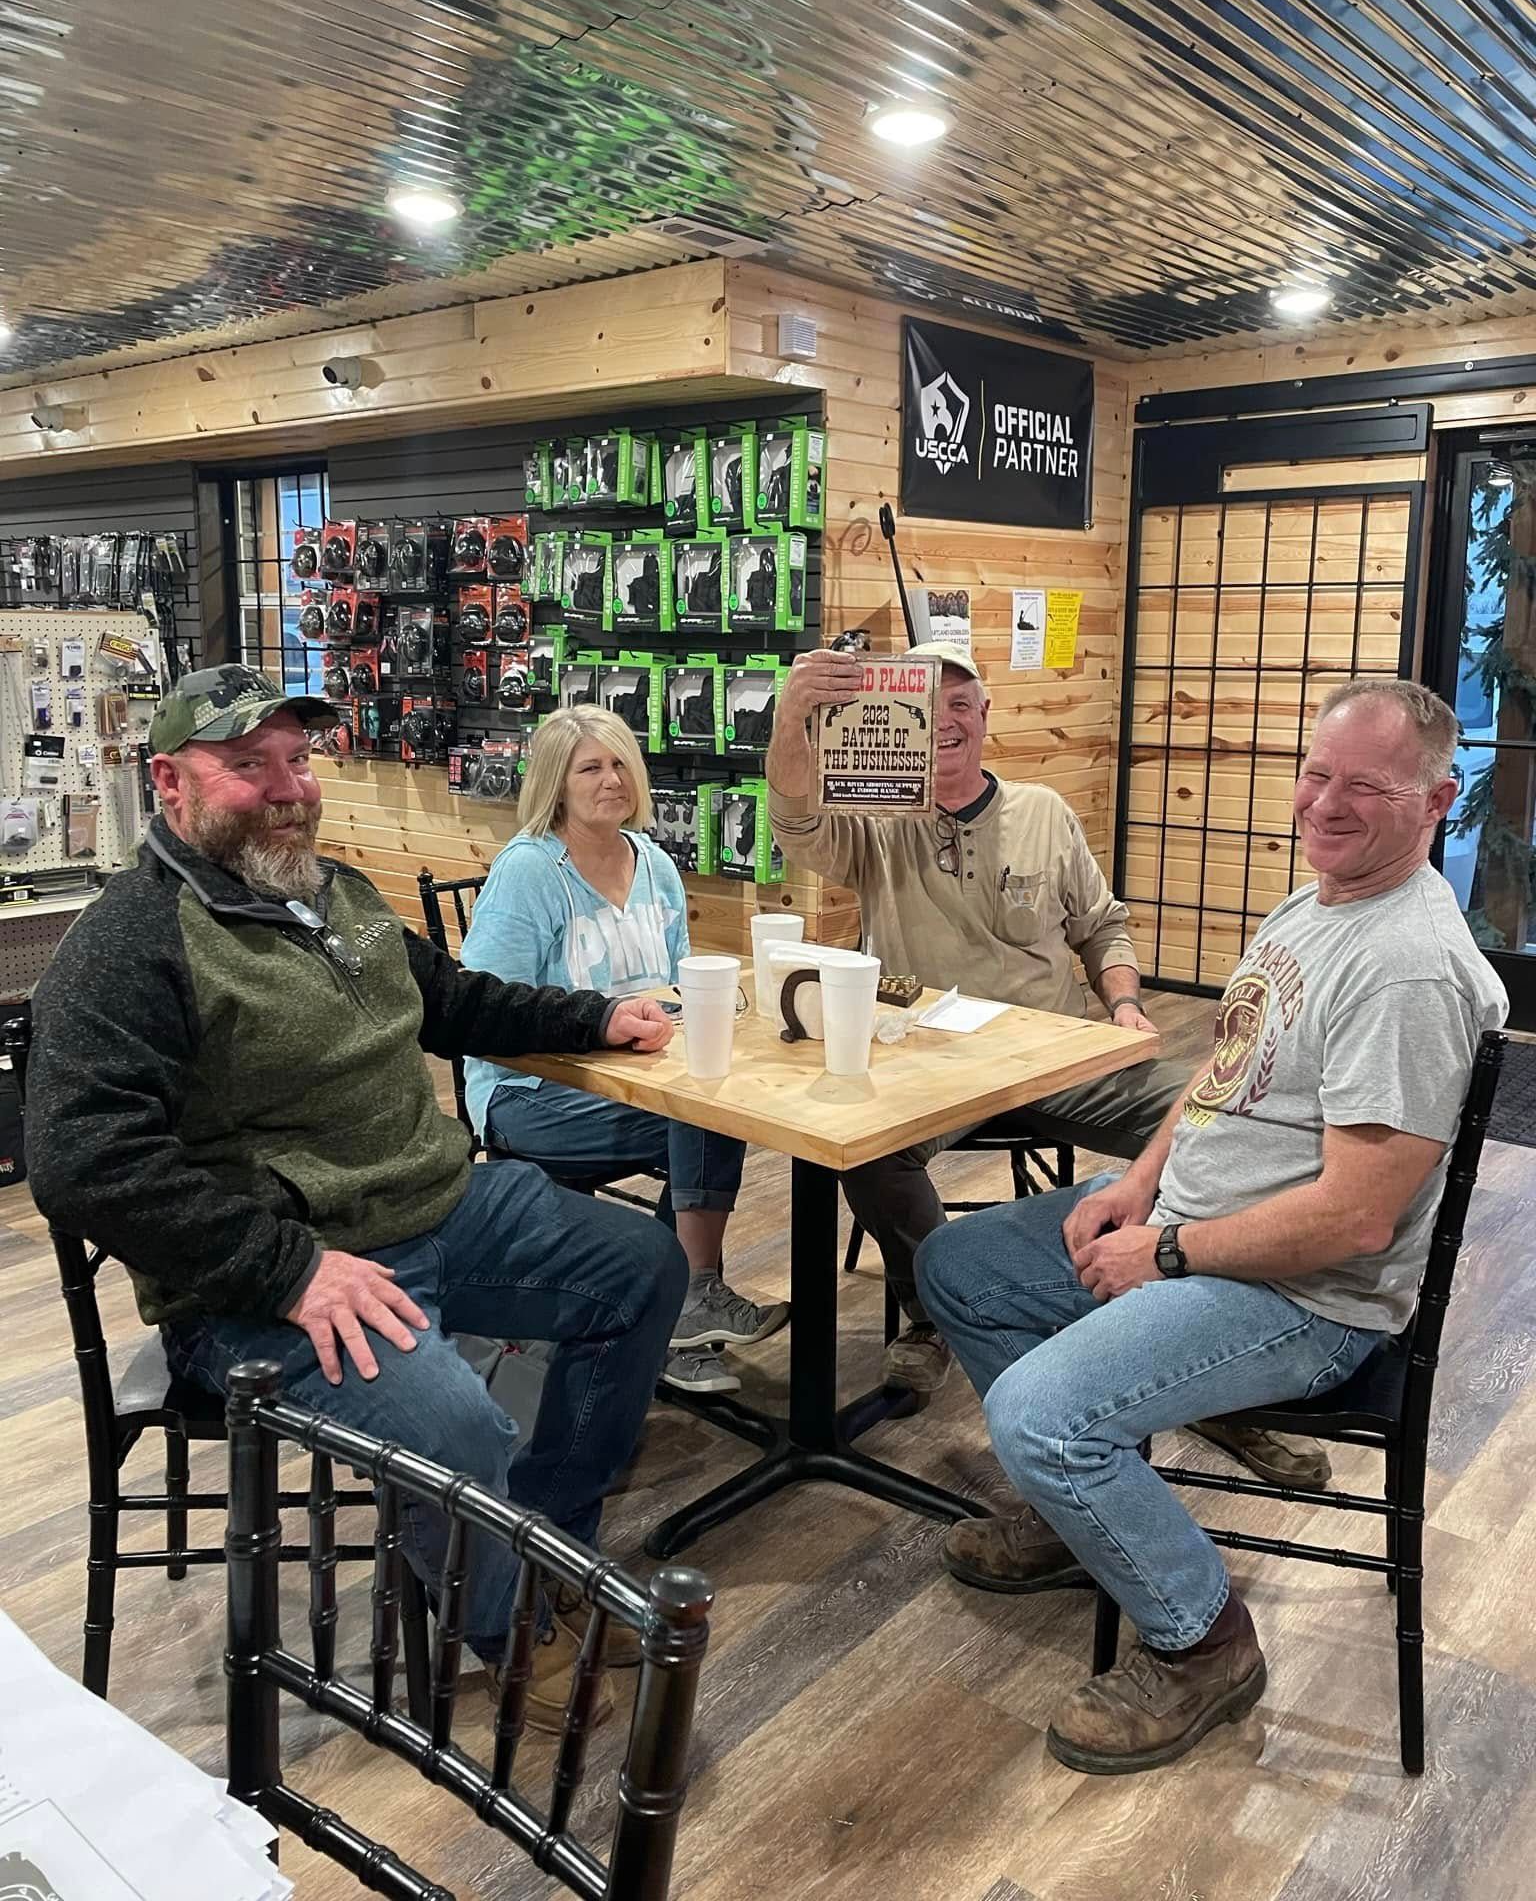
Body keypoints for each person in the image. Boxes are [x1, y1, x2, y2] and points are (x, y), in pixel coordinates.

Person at [24, 665, 689, 1734]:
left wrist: (593, 1020)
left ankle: (538, 1546)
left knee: (645, 1268)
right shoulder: (130, 941)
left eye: (297, 758)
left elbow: (453, 997)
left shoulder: (335, 893)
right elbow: (81, 1159)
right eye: (248, 765)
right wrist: (288, 1267)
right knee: (457, 1422)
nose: (289, 787)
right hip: (275, 1277)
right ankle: (514, 1625)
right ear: (169, 782)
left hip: (432, 1208)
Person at [916, 678, 1507, 1774]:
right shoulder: (1314, 902)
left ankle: (1204, 1640)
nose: (1325, 803)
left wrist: (1168, 1250)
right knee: (959, 1263)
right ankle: (1078, 1513)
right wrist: (1140, 1182)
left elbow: (1356, 1214)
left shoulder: (1408, 965)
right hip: (1196, 1231)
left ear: (1436, 799)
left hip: (1303, 1297)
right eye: (1317, 773)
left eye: (1363, 786)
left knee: (1040, 1413)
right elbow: (1224, 1073)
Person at [766, 639, 1325, 1487]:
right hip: (928, 1057)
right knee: (864, 1151)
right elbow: (796, 820)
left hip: (1056, 1051)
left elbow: (1102, 925)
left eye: (963, 701)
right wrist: (791, 716)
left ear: (987, 717)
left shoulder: (1043, 811)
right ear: (902, 720)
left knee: (1211, 1117)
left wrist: (1126, 1002)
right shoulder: (877, 816)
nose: (946, 719)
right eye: (929, 703)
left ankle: (1209, 1347)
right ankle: (934, 1304)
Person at [463, 705, 788, 1396]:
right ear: (556, 782)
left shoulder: (656, 865)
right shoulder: (530, 873)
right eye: (590, 768)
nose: (611, 780)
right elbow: (484, 1010)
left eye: (619, 764)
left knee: (710, 1104)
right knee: (700, 1115)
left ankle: (678, 1310)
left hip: (635, 1078)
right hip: (527, 1093)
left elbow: (675, 983)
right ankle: (691, 1299)